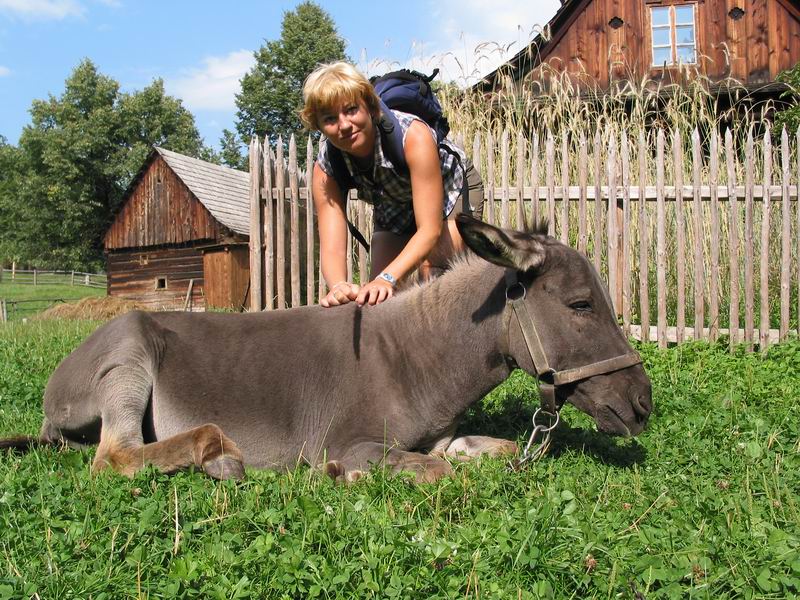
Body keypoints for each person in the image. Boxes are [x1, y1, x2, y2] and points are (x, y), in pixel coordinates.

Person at [300, 62, 484, 308]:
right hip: (394, 201)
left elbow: (429, 230)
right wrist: (339, 286)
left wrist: (388, 278)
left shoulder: (413, 136)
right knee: (378, 300)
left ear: (371, 107)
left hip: (450, 189)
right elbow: (332, 245)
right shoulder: (327, 167)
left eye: (351, 110)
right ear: (319, 125)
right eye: (330, 119)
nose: (344, 125)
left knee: (433, 275)